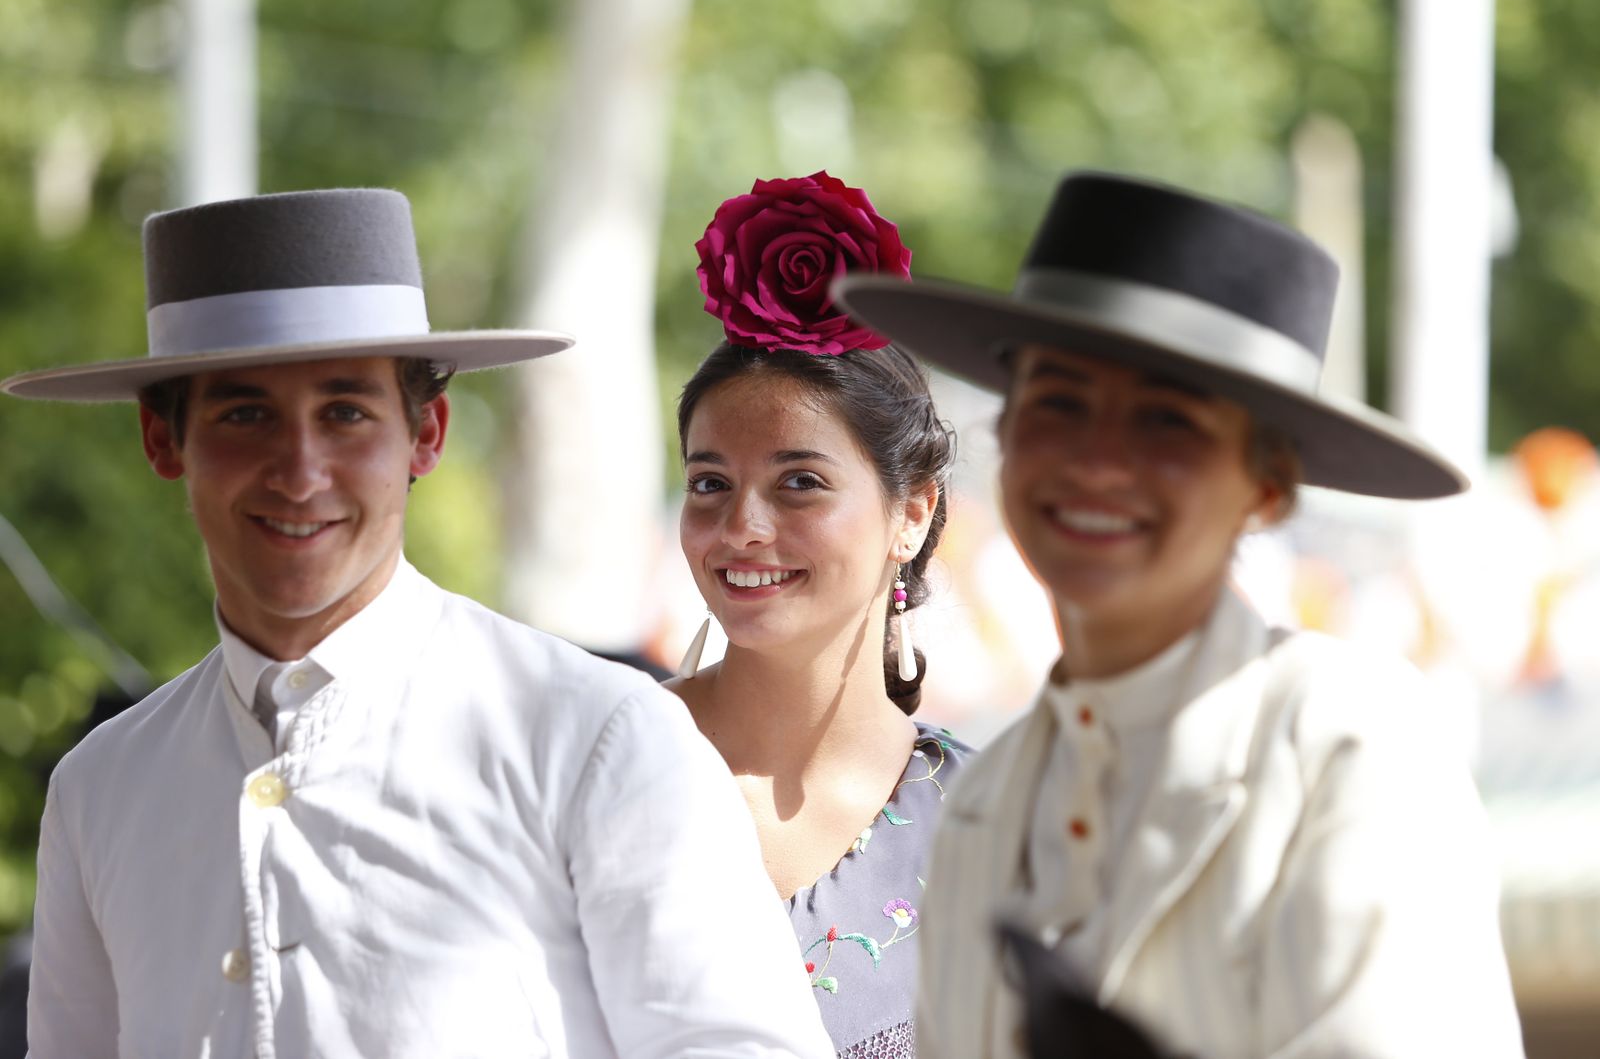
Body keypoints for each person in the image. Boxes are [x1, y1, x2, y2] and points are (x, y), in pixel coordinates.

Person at [3, 188, 833, 1058]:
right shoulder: (101, 788)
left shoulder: (595, 735)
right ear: (164, 441)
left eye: (346, 413)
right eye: (244, 413)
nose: (298, 469)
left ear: (425, 433)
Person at [833, 172, 1524, 1057]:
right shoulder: (988, 805)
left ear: (1267, 486)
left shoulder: (1345, 745)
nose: (1098, 459)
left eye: (1166, 420)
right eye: (1061, 403)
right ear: (1006, 437)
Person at [665, 172, 973, 1057]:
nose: (743, 528)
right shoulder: (585, 765)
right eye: (710, 484)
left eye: (800, 482)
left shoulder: (996, 824)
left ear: (911, 512)